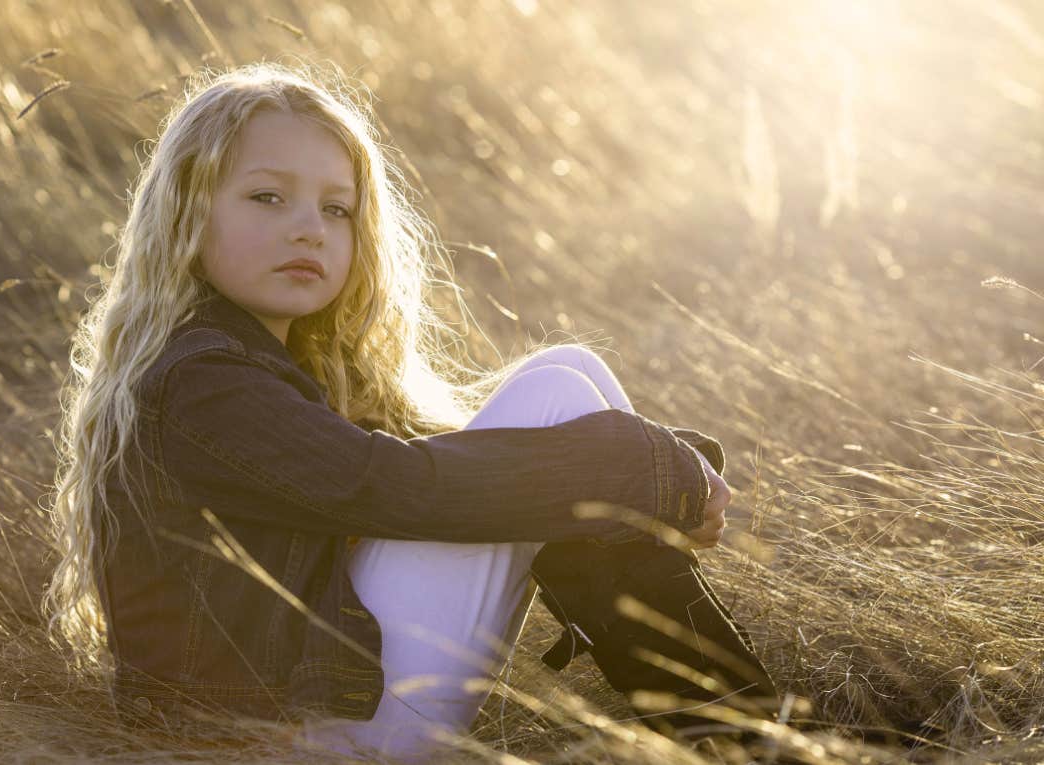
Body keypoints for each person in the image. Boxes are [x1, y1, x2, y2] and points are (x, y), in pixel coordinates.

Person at [42, 60, 778, 762]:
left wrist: (650, 467)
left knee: (567, 373)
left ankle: (734, 728)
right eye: (268, 197)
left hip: (310, 709)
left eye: (337, 209)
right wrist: (641, 468)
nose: (309, 227)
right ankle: (744, 733)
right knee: (557, 401)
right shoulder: (204, 380)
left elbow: (424, 468)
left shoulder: (251, 359)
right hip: (275, 739)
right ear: (186, 212)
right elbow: (393, 486)